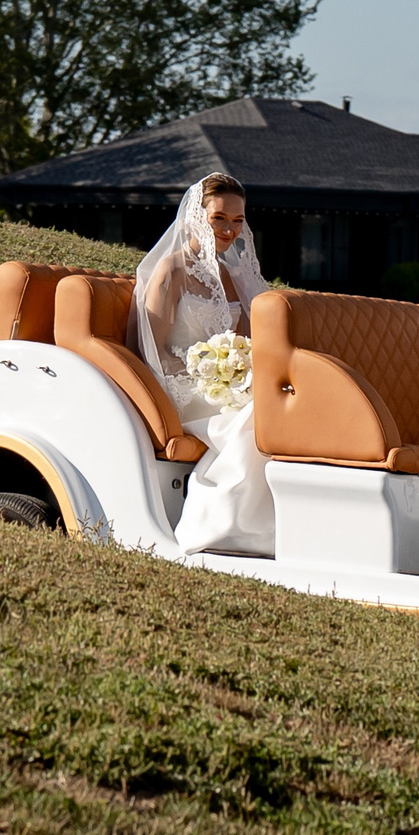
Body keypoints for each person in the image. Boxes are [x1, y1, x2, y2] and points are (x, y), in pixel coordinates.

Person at [133, 174, 275, 555]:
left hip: (226, 384)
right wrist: (201, 375)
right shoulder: (172, 270)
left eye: (238, 220)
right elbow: (154, 347)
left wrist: (238, 374)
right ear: (198, 216)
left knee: (274, 408)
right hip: (181, 386)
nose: (229, 229)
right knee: (252, 417)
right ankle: (215, 531)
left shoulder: (231, 276)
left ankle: (261, 532)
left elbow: (246, 342)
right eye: (219, 219)